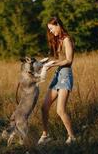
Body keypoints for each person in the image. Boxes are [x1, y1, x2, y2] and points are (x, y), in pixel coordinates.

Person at [38, 17, 76, 145]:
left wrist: (52, 65)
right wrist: (46, 63)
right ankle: (45, 135)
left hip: (65, 76)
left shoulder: (67, 40)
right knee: (44, 107)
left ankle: (72, 137)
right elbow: (59, 59)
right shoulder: (58, 40)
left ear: (58, 25)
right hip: (58, 75)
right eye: (49, 29)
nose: (51, 31)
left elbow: (69, 60)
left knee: (60, 110)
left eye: (51, 28)